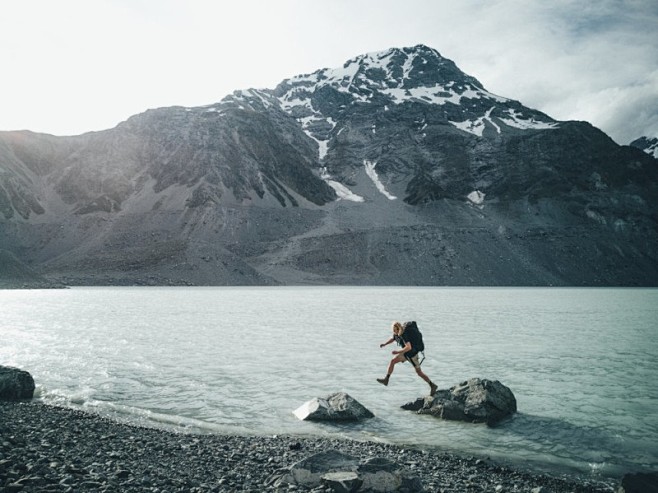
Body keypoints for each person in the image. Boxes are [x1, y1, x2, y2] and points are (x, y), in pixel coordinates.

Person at [377, 321, 438, 396]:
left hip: (412, 355)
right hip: (405, 354)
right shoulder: (397, 333)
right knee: (393, 361)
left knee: (419, 372)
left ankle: (432, 385)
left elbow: (409, 347)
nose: (393, 332)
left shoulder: (404, 335)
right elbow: (393, 338)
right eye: (393, 330)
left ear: (398, 329)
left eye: (394, 330)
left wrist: (398, 352)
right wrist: (385, 344)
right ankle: (386, 379)